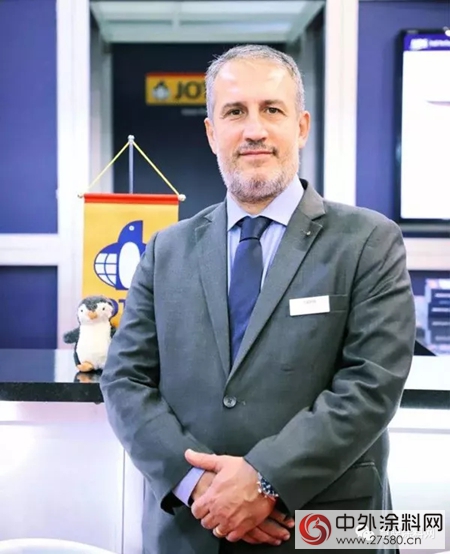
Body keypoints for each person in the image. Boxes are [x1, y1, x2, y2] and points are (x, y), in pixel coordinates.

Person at [100, 44, 416, 554]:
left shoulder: (368, 241)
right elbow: (124, 380)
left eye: (272, 109)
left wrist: (265, 480)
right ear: (212, 133)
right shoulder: (165, 250)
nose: (254, 130)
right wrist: (199, 485)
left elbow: (371, 385)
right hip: (192, 527)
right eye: (234, 112)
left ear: (301, 126)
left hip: (323, 529)